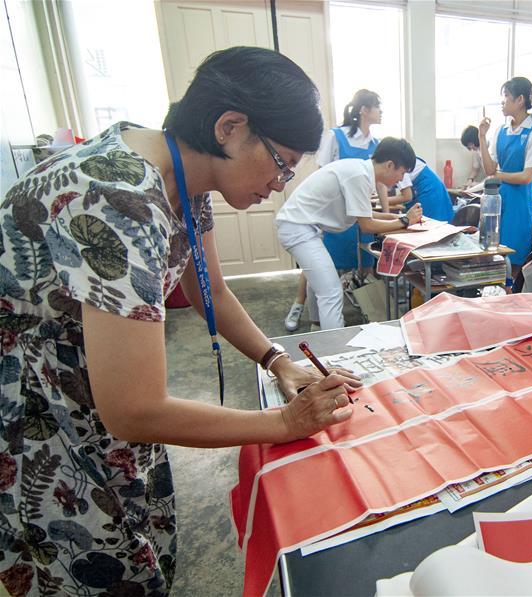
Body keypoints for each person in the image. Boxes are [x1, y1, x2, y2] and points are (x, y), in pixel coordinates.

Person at [0, 46, 362, 596]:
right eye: (282, 162)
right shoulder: (115, 196)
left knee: (143, 537)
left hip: (93, 386)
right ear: (230, 127)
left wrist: (277, 360)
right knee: (95, 568)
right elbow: (135, 409)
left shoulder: (183, 179)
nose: (281, 183)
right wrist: (284, 425)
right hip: (38, 409)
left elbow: (210, 290)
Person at [275, 138, 423, 330]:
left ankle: (318, 326)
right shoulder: (359, 176)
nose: (400, 180)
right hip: (298, 228)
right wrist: (404, 221)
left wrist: (395, 217)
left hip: (302, 226)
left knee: (317, 283)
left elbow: (360, 213)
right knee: (332, 292)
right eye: (402, 173)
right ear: (389, 165)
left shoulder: (360, 171)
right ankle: (335, 349)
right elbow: (367, 225)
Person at [284, 89, 385, 332]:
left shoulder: (375, 144)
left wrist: (386, 211)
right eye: (378, 107)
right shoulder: (335, 136)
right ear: (364, 109)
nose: (381, 112)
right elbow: (323, 175)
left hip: (359, 213)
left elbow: (380, 183)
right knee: (319, 268)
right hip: (333, 214)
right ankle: (303, 309)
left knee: (362, 266)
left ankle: (365, 313)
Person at [478, 77, 532, 272]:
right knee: (490, 256)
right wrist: (482, 137)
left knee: (514, 261)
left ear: (520, 100)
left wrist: (498, 176)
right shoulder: (500, 130)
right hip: (495, 200)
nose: (502, 102)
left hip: (519, 204)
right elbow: (489, 170)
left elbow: (526, 177)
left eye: (506, 96)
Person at [396, 157, 454, 221]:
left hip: (430, 192)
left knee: (432, 225)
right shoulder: (400, 158)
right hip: (432, 187)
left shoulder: (397, 164)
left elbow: (407, 196)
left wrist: (384, 201)